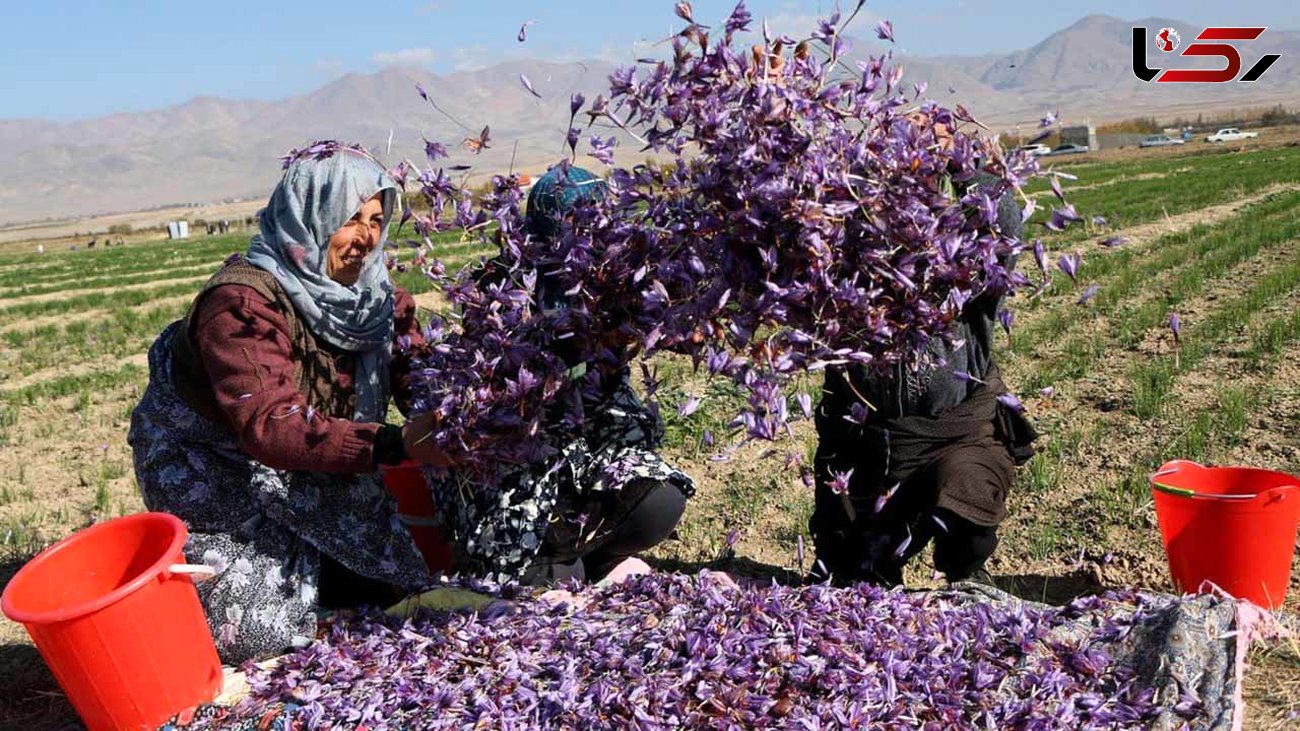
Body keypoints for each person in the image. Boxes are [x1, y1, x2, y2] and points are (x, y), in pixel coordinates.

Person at [129, 143, 453, 664]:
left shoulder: (378, 302)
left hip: (309, 452)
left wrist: (471, 408)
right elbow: (270, 427)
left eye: (376, 219)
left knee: (386, 585)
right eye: (349, 219)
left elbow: (419, 382)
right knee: (257, 627)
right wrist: (395, 442)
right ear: (309, 216)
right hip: (212, 461)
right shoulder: (240, 305)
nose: (365, 239)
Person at [427, 166, 694, 586]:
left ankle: (593, 553)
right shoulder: (501, 288)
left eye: (597, 221)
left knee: (658, 501)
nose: (586, 235)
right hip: (516, 459)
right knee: (539, 577)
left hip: (582, 450)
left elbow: (607, 401)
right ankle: (537, 558)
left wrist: (620, 343)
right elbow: (505, 403)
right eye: (574, 222)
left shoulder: (613, 286)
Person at [809, 117, 1037, 588]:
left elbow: (1005, 231)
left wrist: (959, 158)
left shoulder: (962, 278)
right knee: (851, 579)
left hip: (956, 441)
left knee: (966, 498)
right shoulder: (842, 288)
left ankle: (965, 568)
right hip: (869, 454)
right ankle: (872, 552)